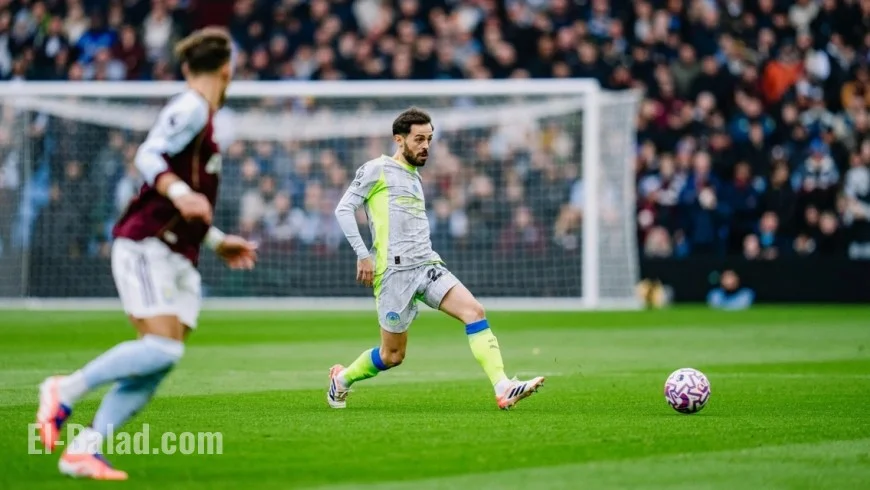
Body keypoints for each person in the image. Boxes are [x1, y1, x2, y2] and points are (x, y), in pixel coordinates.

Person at [35, 27, 258, 480]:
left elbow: (186, 200)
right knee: (159, 348)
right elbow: (147, 153)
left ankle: (85, 448)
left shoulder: (205, 116)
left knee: (163, 356)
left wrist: (216, 241)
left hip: (180, 253)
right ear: (226, 70)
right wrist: (178, 190)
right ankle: (64, 388)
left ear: (184, 67)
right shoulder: (192, 106)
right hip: (146, 243)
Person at [330, 107, 544, 411]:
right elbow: (343, 209)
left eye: (429, 139)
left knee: (474, 311)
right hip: (394, 273)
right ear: (399, 140)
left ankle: (503, 386)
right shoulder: (376, 169)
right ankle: (342, 380)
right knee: (392, 356)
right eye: (419, 139)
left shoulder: (414, 176)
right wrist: (363, 255)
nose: (426, 146)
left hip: (427, 266)